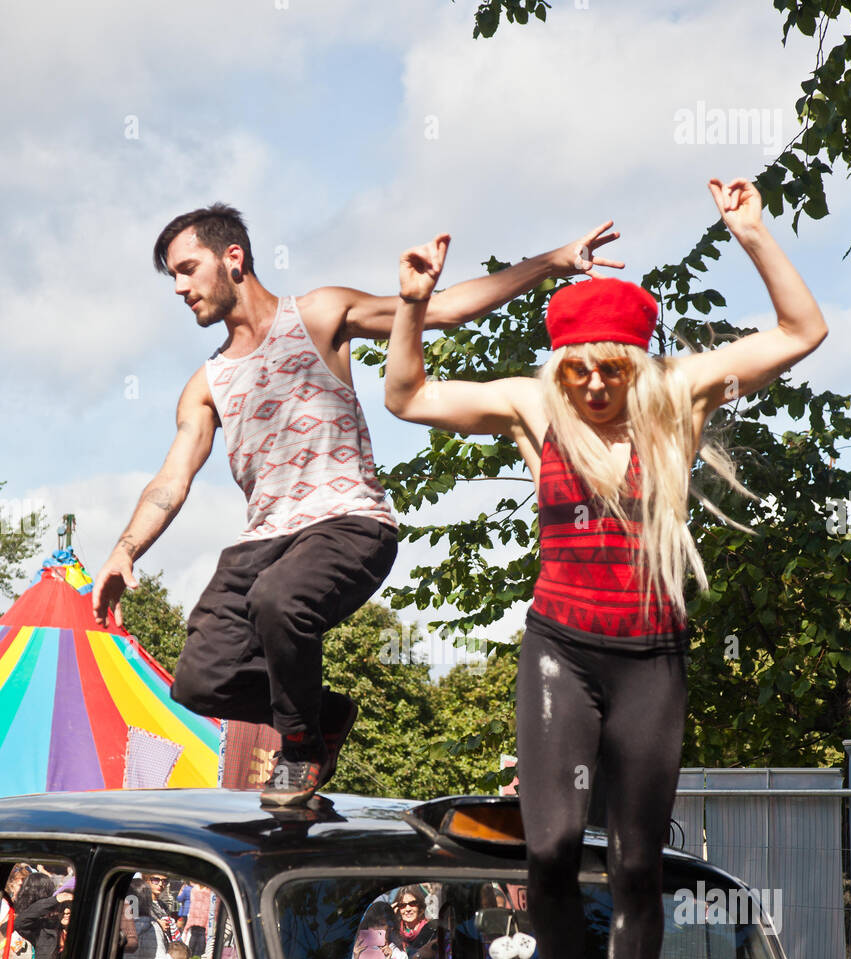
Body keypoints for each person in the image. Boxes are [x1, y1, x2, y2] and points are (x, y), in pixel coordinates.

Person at [384, 178, 827, 959]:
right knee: (546, 848)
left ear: (635, 361)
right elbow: (408, 396)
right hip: (561, 652)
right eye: (576, 369)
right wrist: (415, 307)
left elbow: (800, 333)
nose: (591, 387)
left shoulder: (675, 395)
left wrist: (753, 236)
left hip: (650, 659)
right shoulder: (534, 405)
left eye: (608, 371)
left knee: (634, 859)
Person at [91, 203, 622, 807]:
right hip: (263, 540)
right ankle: (324, 715)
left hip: (348, 524)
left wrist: (553, 261)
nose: (181, 288)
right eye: (174, 277)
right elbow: (172, 477)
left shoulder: (320, 314)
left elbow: (446, 309)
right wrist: (124, 549)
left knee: (279, 600)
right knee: (198, 681)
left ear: (232, 258)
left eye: (188, 269)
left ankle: (299, 750)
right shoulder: (206, 383)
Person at [393, 885, 437, 959]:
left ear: (420, 906)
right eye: (402, 905)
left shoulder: (432, 931)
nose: (407, 909)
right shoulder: (392, 934)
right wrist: (387, 920)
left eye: (412, 903)